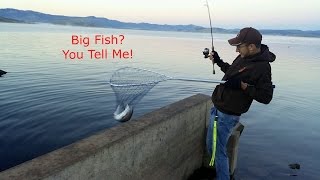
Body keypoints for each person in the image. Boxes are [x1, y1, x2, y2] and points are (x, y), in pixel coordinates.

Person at [206, 27, 276, 180]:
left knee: (219, 152)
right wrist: (218, 61)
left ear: (251, 46)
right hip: (217, 109)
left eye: (239, 46)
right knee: (211, 146)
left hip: (227, 116)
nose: (237, 50)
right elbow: (231, 73)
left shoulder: (263, 67)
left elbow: (266, 97)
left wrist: (243, 86)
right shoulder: (243, 57)